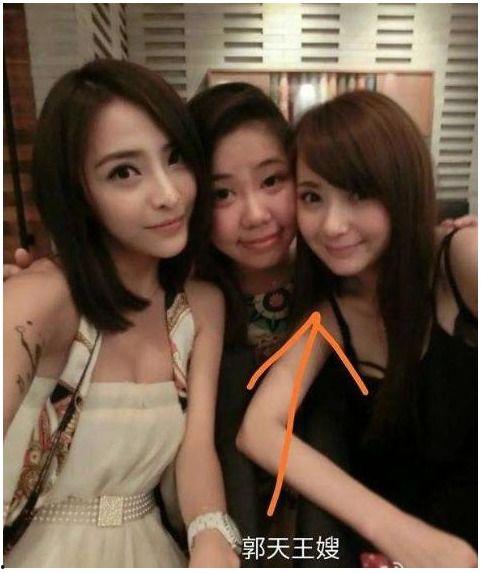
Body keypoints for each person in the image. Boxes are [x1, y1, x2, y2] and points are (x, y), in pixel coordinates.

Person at [3, 59, 241, 568]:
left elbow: (195, 448)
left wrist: (211, 537)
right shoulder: (41, 299)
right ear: (78, 192)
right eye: (124, 172)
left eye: (175, 158)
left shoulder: (199, 307)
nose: (169, 195)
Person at [236, 91, 477, 568]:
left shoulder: (460, 261)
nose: (332, 225)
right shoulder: (330, 314)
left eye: (359, 194)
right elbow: (258, 430)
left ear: (402, 188)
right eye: (312, 197)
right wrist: (397, 534)